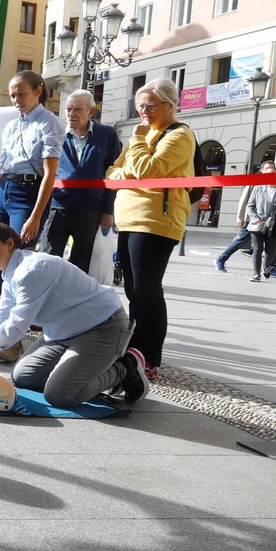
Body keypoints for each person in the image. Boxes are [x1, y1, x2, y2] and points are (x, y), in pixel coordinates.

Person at [0, 222, 146, 406]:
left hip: (102, 328)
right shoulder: (12, 272)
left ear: (10, 244)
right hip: (62, 333)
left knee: (60, 395)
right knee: (23, 377)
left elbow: (16, 327)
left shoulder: (30, 270)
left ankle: (125, 368)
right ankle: (80, 367)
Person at [104, 77, 194, 378]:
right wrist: (131, 169)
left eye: (151, 106)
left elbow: (147, 170)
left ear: (171, 105)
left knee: (147, 289)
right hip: (129, 218)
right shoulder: (145, 135)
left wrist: (138, 143)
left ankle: (150, 356)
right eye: (140, 106)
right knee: (133, 289)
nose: (144, 111)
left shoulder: (178, 135)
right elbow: (112, 172)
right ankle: (136, 349)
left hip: (156, 221)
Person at [0, 71, 64, 248]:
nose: (17, 100)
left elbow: (50, 173)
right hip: (3, 192)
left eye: (21, 94)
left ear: (37, 91)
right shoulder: (11, 126)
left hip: (28, 192)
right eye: (13, 96)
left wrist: (36, 217)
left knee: (19, 253)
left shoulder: (49, 122)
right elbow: (2, 170)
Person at [43, 90, 122, 274]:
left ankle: (75, 299)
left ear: (91, 112)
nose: (72, 114)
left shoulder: (107, 135)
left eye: (78, 109)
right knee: (49, 258)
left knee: (81, 263)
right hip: (57, 207)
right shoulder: (58, 134)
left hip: (90, 210)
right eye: (68, 109)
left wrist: (107, 211)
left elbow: (113, 173)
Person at [244, 174, 276, 283]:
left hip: (274, 225)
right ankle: (256, 274)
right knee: (257, 249)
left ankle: (266, 266)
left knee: (270, 250)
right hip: (258, 224)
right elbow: (250, 205)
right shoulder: (258, 188)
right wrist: (255, 218)